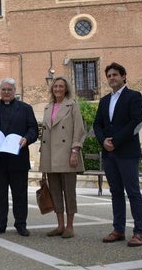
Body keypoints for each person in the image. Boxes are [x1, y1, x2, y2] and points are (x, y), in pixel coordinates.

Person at [93, 62, 142, 247]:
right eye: (109, 76)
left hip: (127, 152)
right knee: (115, 192)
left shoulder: (134, 96)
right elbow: (97, 124)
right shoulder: (104, 100)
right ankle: (118, 230)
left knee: (133, 192)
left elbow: (136, 122)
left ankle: (139, 232)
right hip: (109, 154)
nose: (111, 78)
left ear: (124, 76)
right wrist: (103, 141)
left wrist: (115, 141)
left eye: (115, 74)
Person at [0, 78, 38, 237]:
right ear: (0, 91)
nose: (6, 92)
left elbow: (33, 129)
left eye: (9, 89)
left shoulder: (25, 108)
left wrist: (27, 138)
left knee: (20, 193)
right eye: (3, 89)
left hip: (18, 158)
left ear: (14, 91)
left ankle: (20, 224)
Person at [39, 76, 86, 239]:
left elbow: (79, 130)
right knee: (55, 192)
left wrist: (75, 151)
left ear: (66, 89)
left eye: (61, 86)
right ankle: (59, 225)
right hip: (50, 155)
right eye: (55, 86)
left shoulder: (72, 105)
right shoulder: (47, 107)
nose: (58, 89)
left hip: (67, 154)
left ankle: (70, 226)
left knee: (69, 192)